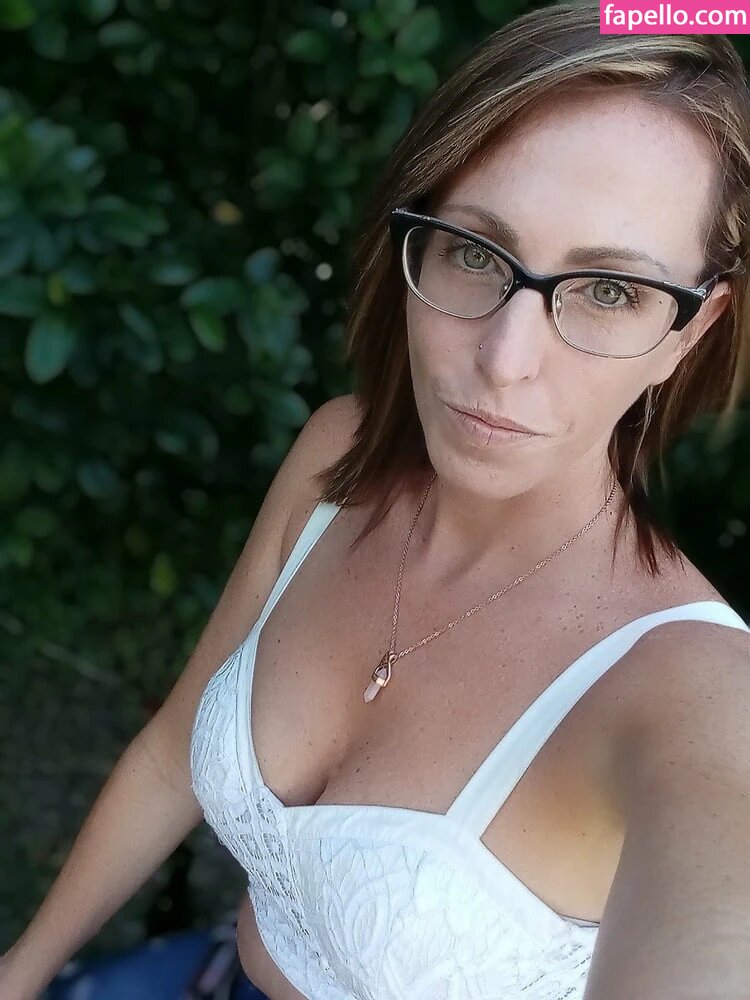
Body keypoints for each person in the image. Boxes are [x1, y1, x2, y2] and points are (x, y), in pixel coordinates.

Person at [3, 1, 750, 998]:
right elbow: (172, 755)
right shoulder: (337, 457)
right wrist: (19, 971)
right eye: (475, 251)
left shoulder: (696, 695)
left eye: (610, 290)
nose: (505, 360)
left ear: (691, 332)